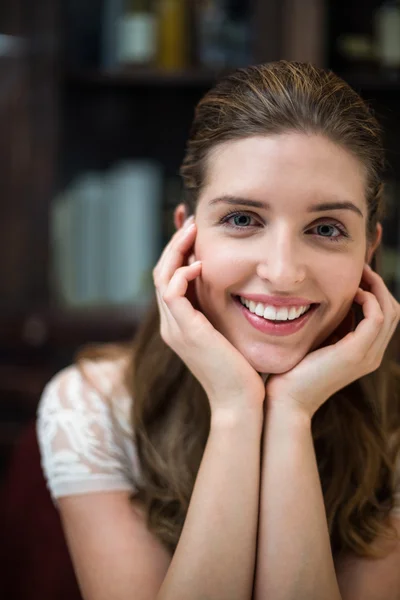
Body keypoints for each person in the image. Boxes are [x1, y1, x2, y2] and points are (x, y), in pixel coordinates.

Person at [37, 60, 400, 600]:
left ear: (368, 251)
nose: (283, 272)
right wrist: (235, 408)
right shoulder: (91, 405)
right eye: (242, 219)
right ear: (186, 236)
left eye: (326, 229)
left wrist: (292, 414)